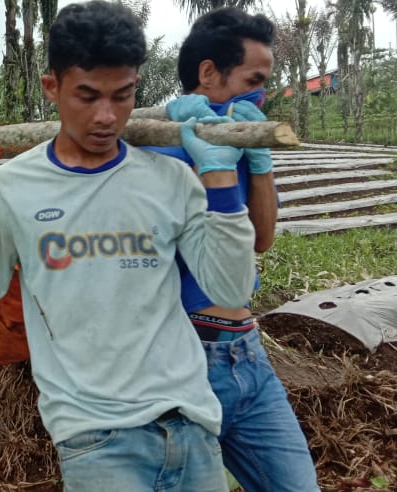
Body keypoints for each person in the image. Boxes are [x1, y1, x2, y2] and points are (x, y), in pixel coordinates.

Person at [0, 1, 258, 491]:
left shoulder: (170, 180)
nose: (107, 116)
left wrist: (222, 182)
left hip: (191, 428)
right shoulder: (12, 188)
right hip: (97, 440)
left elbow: (230, 288)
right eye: (87, 95)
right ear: (52, 87)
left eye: (122, 96)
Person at [148, 8, 319, 492]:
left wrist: (258, 161)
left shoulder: (239, 142)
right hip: (184, 358)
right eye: (255, 79)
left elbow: (261, 238)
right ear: (209, 73)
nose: (261, 92)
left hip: (246, 351)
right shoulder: (156, 149)